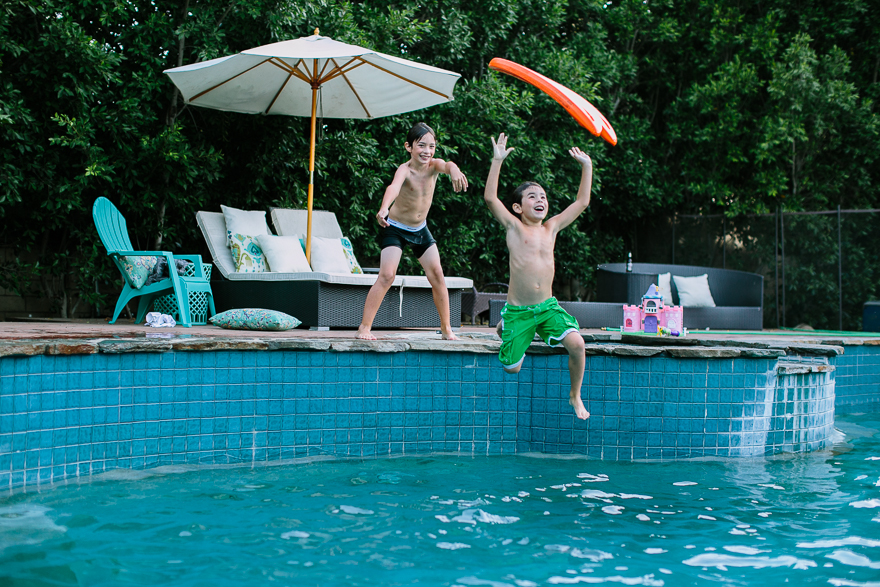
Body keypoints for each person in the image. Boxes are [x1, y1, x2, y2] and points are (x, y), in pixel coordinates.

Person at [483, 133, 592, 420]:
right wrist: (497, 161)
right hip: (520, 312)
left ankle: (575, 394)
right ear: (518, 208)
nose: (540, 199)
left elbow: (581, 201)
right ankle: (507, 323)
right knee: (512, 368)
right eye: (532, 196)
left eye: (543, 196)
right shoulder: (514, 227)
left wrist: (586, 166)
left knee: (578, 345)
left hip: (547, 309)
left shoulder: (551, 228)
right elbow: (490, 198)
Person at [357, 122, 469, 341]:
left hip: (420, 229)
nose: (427, 151)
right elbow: (393, 188)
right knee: (387, 275)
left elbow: (447, 165)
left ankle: (446, 329)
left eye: (432, 146)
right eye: (421, 145)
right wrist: (384, 208)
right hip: (395, 228)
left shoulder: (434, 166)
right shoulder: (404, 169)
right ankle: (364, 327)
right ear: (409, 147)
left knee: (437, 275)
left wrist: (455, 169)